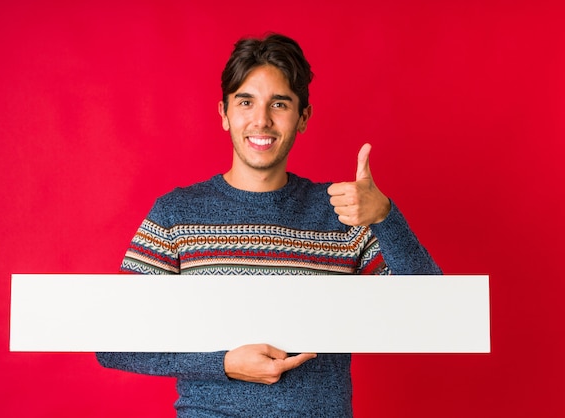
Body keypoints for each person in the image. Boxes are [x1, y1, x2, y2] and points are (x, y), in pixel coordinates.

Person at [97, 33, 441, 417]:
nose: (261, 120)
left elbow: (434, 313)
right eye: (246, 102)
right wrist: (224, 364)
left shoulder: (342, 212)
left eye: (279, 104)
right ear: (225, 113)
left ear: (303, 117)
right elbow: (114, 342)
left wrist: (385, 216)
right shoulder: (176, 215)